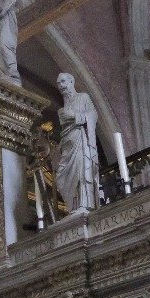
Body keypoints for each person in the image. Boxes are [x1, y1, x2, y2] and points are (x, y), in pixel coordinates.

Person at [55, 73, 100, 212]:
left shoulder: (83, 97)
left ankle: (83, 204)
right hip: (67, 143)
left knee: (81, 171)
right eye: (58, 84)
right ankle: (72, 207)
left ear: (71, 82)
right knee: (60, 177)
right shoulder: (63, 107)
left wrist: (74, 116)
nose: (61, 86)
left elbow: (93, 115)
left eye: (63, 82)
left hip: (80, 140)